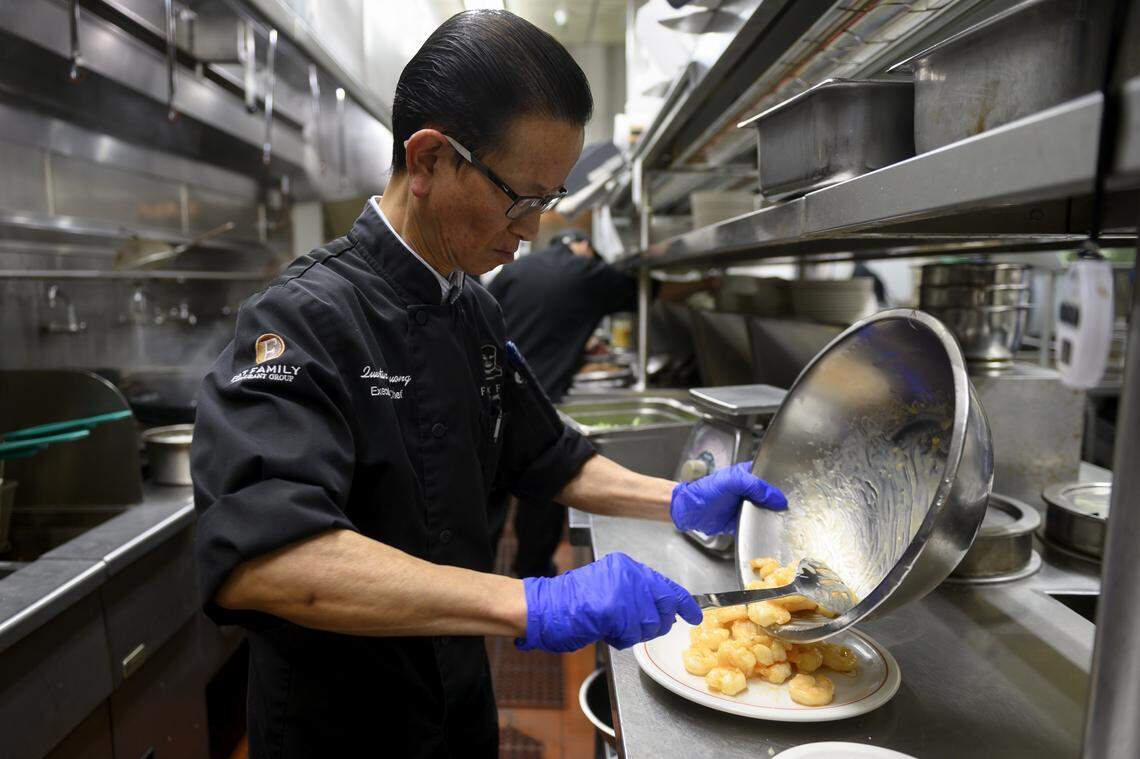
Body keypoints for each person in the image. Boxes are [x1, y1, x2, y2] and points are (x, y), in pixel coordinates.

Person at [190, 11, 786, 758]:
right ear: (432, 158)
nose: (532, 229)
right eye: (521, 198)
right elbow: (266, 561)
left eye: (547, 201)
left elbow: (547, 453)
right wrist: (527, 600)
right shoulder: (302, 318)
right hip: (343, 726)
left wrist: (675, 498)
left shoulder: (470, 304)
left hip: (460, 701)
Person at [487, 230, 707, 577]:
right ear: (587, 248)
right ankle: (532, 573)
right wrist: (709, 284)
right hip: (542, 395)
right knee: (542, 492)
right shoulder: (587, 272)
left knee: (490, 491)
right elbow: (652, 291)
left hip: (493, 389)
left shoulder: (517, 269)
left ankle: (484, 574)